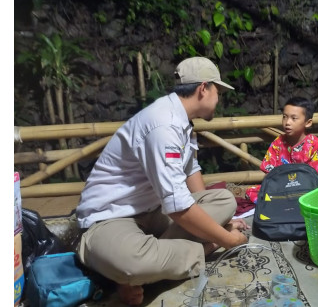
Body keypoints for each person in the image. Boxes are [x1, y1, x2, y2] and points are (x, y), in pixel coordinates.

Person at [75, 57, 249, 306]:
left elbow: (191, 171)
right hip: (110, 217)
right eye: (217, 91)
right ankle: (193, 252)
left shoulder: (180, 120)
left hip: (153, 210)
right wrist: (226, 239)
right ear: (203, 88)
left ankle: (153, 266)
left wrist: (217, 220)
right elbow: (178, 207)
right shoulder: (163, 125)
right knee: (131, 263)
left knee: (223, 200)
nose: (218, 98)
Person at [245, 96, 318, 204]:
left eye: (294, 118)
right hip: (280, 189)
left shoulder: (315, 144)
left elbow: (314, 178)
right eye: (284, 117)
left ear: (308, 122)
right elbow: (269, 173)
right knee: (251, 192)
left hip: (305, 190)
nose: (287, 122)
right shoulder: (278, 142)